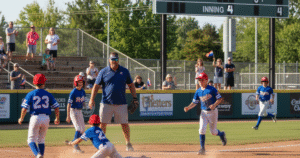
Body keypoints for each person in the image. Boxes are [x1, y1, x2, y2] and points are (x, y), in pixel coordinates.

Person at [88, 52, 138, 152]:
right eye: (112, 59)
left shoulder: (124, 71)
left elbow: (131, 85)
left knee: (124, 124)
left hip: (121, 103)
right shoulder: (103, 71)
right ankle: (101, 144)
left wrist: (135, 98)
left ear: (118, 60)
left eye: (116, 59)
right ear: (109, 60)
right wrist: (91, 99)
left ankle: (128, 143)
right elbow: (96, 86)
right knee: (102, 124)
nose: (114, 61)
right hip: (106, 103)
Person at [184, 72, 227, 155]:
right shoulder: (198, 91)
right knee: (201, 130)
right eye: (199, 80)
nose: (200, 82)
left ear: (206, 80)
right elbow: (194, 102)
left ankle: (221, 134)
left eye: (202, 80)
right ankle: (202, 149)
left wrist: (214, 105)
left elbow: (220, 99)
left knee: (213, 132)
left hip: (213, 112)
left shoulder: (212, 89)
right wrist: (188, 107)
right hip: (203, 112)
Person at [18, 73, 60, 158]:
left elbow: (24, 108)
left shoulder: (31, 94)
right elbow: (56, 107)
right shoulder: (48, 94)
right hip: (46, 118)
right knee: (41, 139)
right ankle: (41, 155)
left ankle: (38, 155)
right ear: (44, 83)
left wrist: (21, 118)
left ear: (34, 83)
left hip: (35, 117)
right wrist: (57, 118)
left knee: (30, 140)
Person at [66, 75, 86, 153]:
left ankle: (73, 142)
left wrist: (87, 105)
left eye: (81, 82)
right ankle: (75, 146)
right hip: (73, 111)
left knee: (83, 130)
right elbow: (69, 105)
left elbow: (83, 101)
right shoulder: (73, 92)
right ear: (76, 83)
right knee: (78, 128)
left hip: (79, 111)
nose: (80, 83)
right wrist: (68, 116)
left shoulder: (83, 91)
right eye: (79, 82)